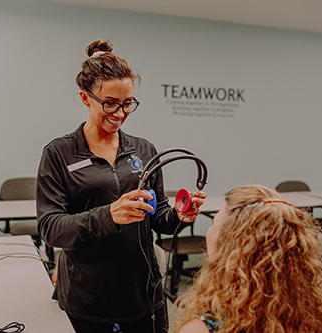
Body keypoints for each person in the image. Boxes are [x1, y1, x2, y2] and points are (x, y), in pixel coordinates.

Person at [36, 39, 206, 333]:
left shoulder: (143, 149)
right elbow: (51, 228)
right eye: (110, 103)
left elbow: (159, 217)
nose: (120, 113)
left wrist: (180, 214)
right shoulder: (59, 153)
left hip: (141, 293)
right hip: (87, 295)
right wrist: (109, 215)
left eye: (128, 103)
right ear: (85, 98)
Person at [174, 185, 322, 333]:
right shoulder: (309, 317)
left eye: (214, 225)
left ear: (232, 251)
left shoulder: (200, 328)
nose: (209, 233)